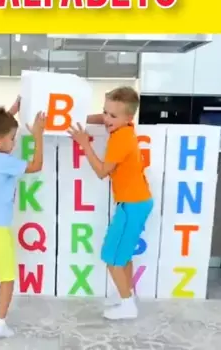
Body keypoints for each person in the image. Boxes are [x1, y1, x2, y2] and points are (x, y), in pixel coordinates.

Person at [68, 86, 153, 320]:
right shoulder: (125, 127)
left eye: (112, 116)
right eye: (105, 112)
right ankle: (126, 294)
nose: (106, 119)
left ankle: (128, 306)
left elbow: (102, 171)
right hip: (138, 202)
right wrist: (78, 118)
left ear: (128, 117)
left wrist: (84, 143)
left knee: (111, 256)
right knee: (124, 255)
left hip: (131, 205)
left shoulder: (120, 140)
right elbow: (102, 117)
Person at [0, 103, 46, 338]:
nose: (15, 143)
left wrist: (11, 111)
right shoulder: (5, 161)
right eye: (13, 139)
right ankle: (0, 325)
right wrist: (38, 135)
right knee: (7, 277)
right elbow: (36, 166)